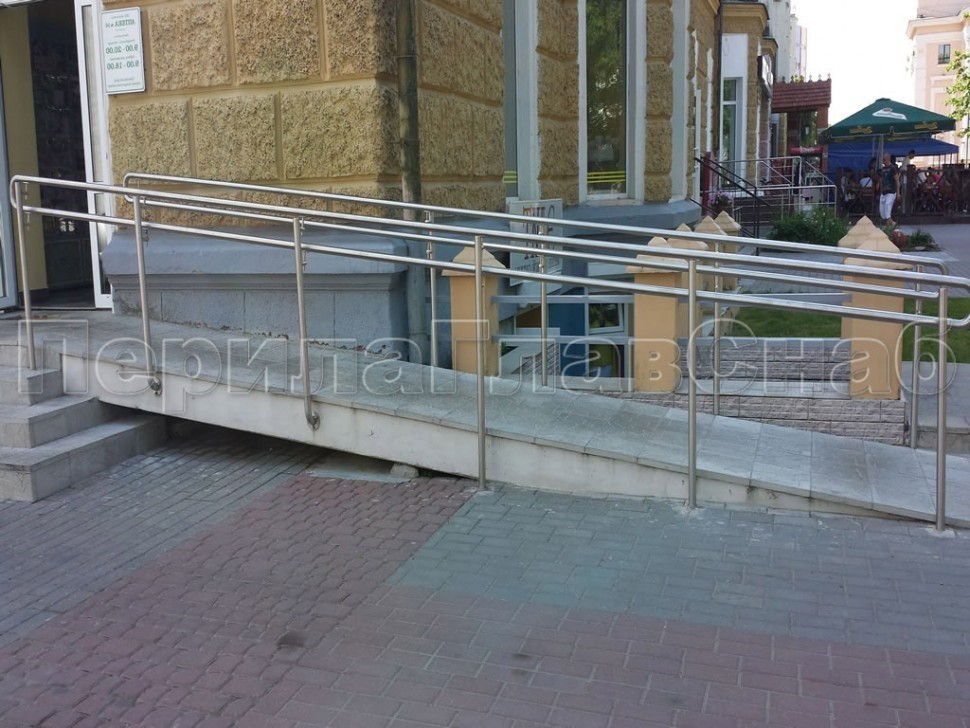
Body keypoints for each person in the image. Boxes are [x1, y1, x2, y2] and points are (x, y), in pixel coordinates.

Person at [878, 153, 899, 225]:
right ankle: (891, 223)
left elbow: (897, 180)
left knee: (887, 206)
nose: (883, 161)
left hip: (891, 191)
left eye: (884, 160)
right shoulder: (883, 169)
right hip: (884, 192)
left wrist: (898, 193)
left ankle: (890, 223)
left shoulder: (893, 168)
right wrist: (880, 189)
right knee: (882, 210)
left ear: (888, 159)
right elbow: (881, 179)